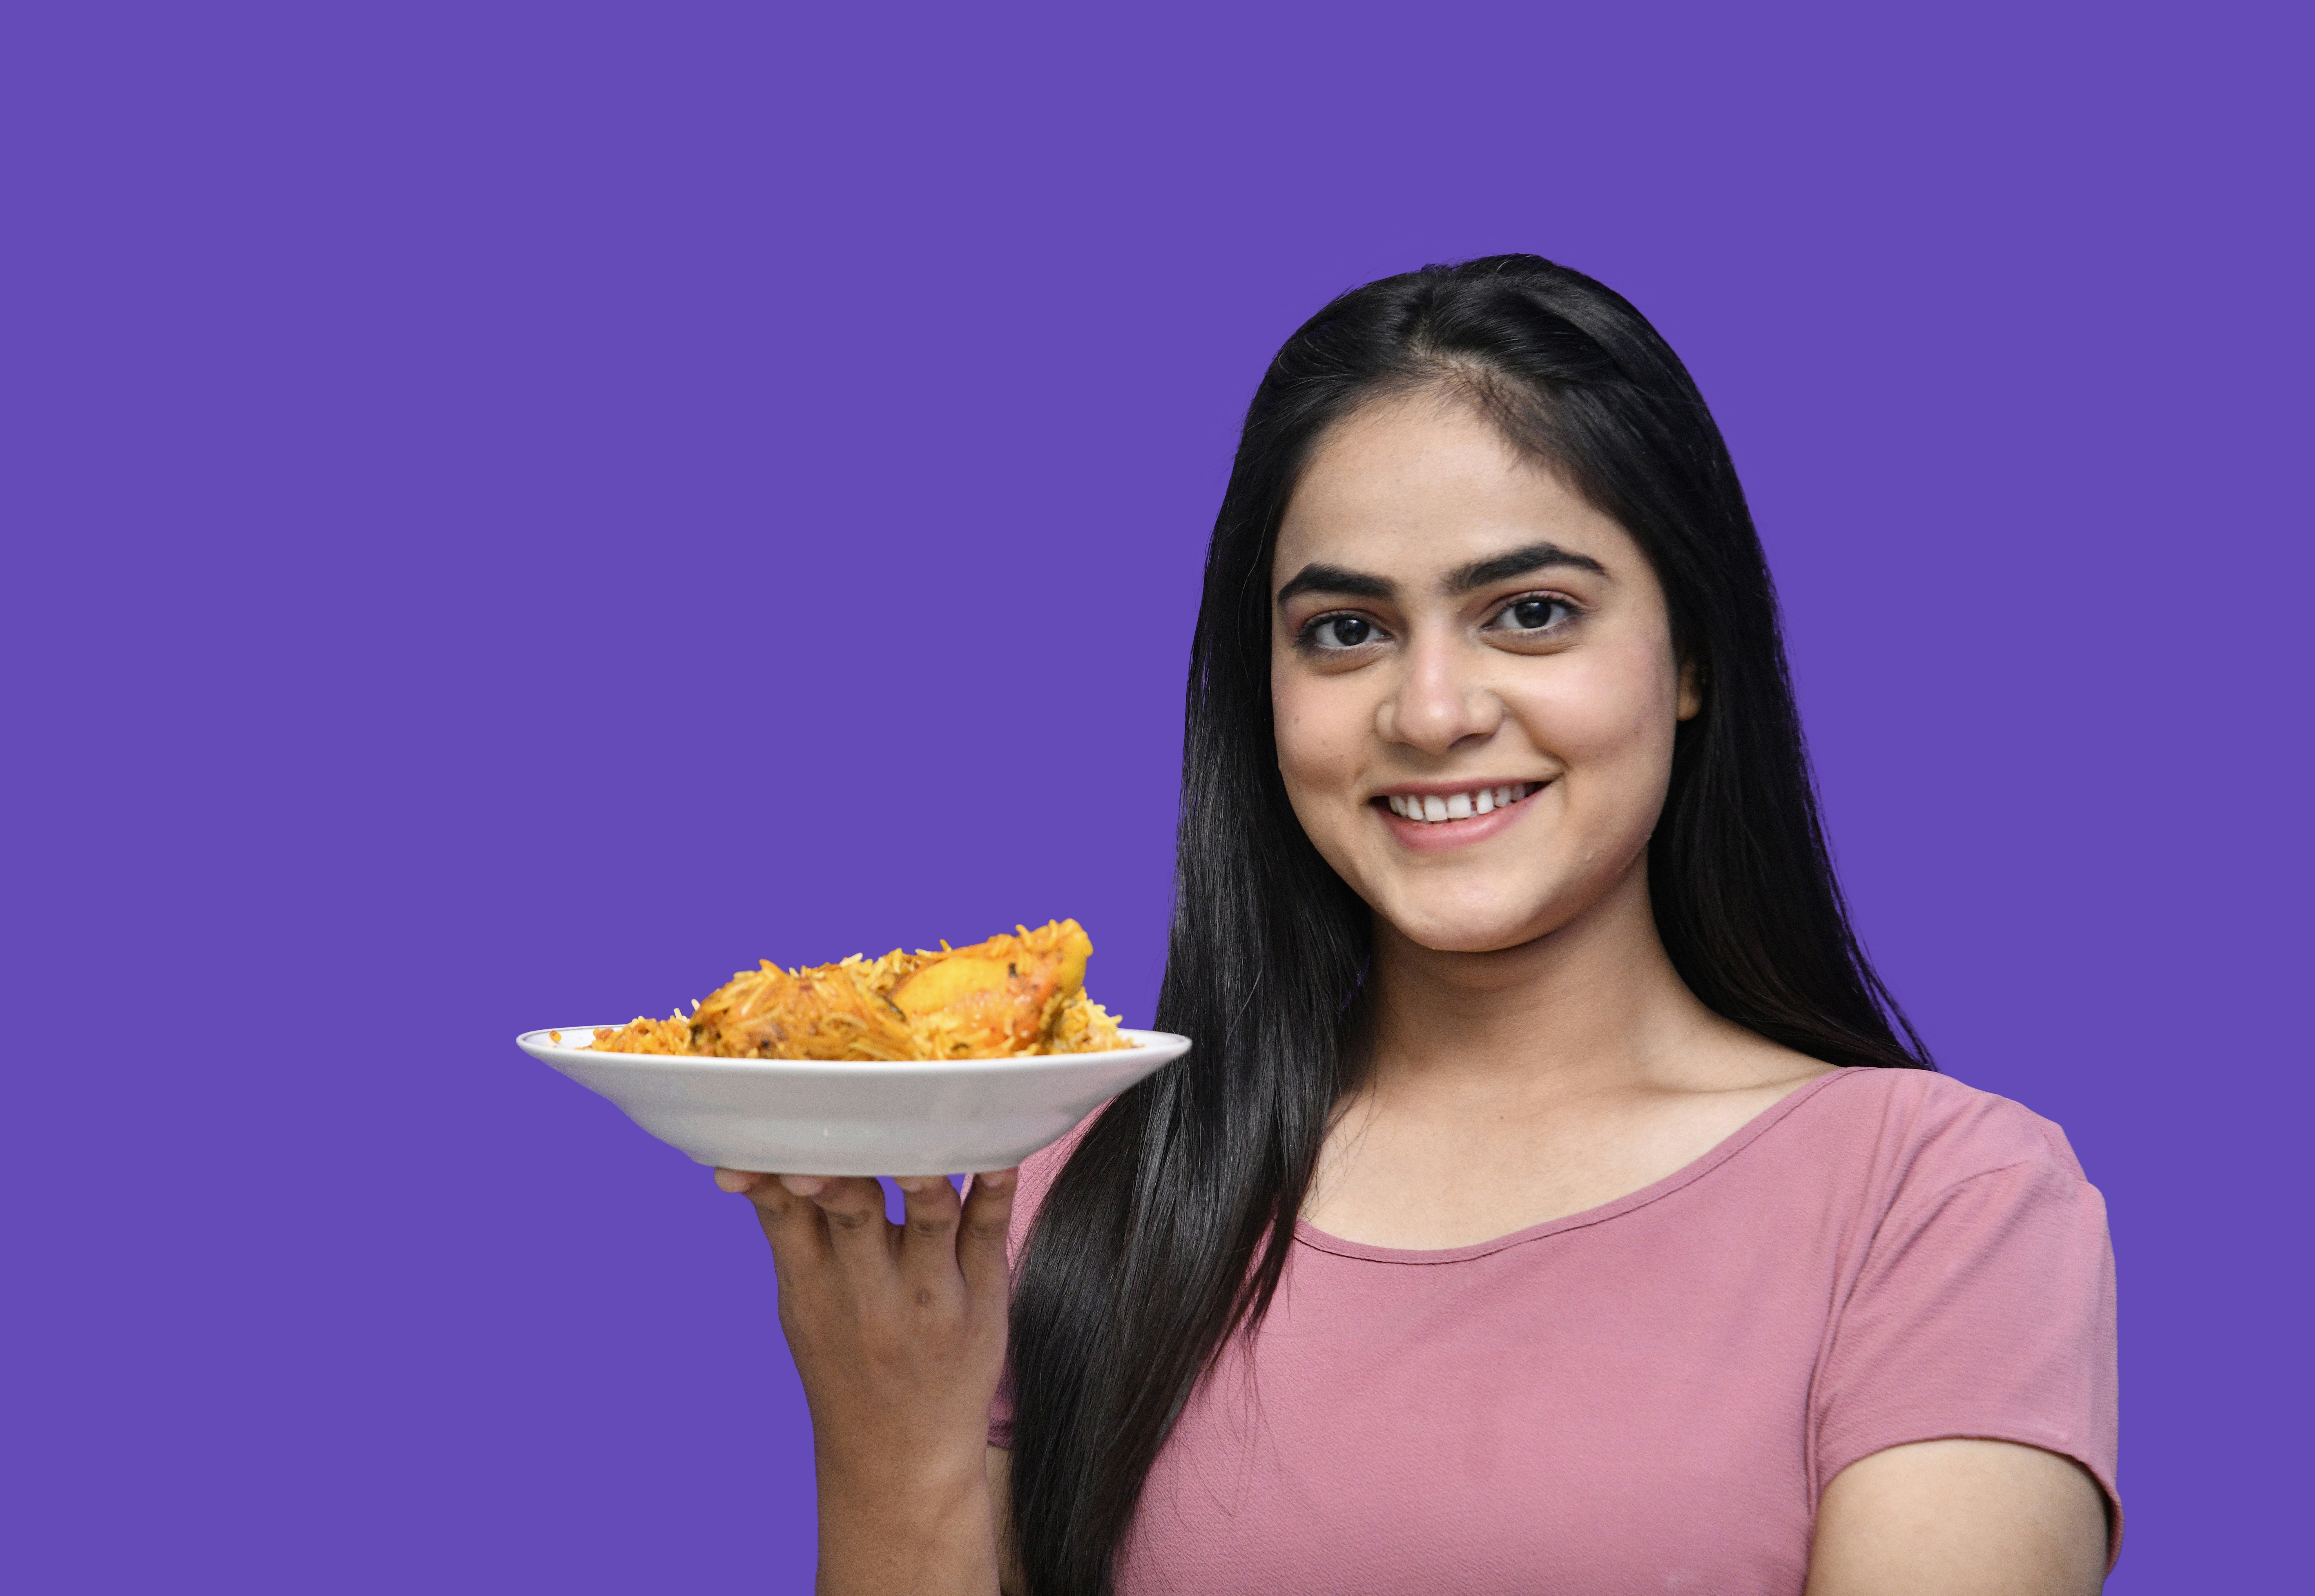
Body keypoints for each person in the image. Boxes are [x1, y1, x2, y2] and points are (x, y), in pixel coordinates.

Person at [715, 255, 2119, 1595]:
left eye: (1531, 611)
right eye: (1345, 630)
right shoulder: (1067, 1190)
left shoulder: (1940, 1202)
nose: (1432, 711)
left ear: (1693, 655)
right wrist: (888, 1438)